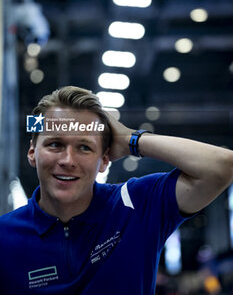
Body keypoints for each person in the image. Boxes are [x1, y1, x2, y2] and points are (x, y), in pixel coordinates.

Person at [0, 85, 232, 294]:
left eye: (84, 147)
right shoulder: (4, 237)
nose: (68, 160)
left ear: (104, 160)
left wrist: (130, 138)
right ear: (32, 152)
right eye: (55, 144)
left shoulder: (136, 205)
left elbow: (222, 166)